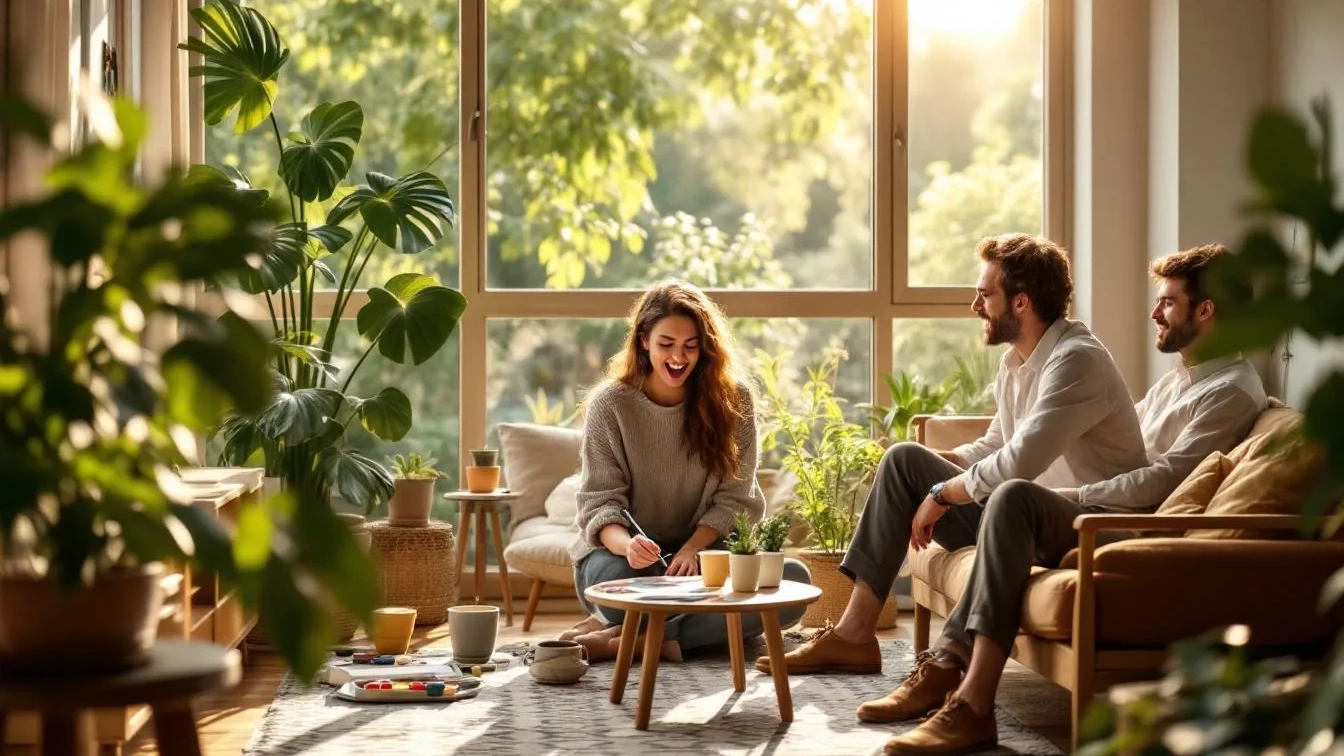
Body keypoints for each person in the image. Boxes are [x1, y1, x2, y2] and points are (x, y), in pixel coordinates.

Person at [754, 232, 1150, 751]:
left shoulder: (1078, 361)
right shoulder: (1018, 361)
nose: (975, 305)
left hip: (1091, 522)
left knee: (1010, 493)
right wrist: (938, 470)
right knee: (904, 460)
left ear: (1022, 301)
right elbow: (995, 443)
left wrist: (942, 492)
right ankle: (853, 636)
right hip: (1025, 518)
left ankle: (969, 701)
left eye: (985, 294)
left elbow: (1019, 461)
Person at [877, 243, 1268, 756]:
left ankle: (971, 704)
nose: (1155, 313)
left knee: (1014, 497)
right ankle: (914, 656)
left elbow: (1162, 484)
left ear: (1206, 310)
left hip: (1126, 527)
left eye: (1168, 302)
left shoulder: (1231, 392)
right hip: (1097, 511)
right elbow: (1042, 443)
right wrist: (952, 467)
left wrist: (1062, 495)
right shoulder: (1179, 382)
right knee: (915, 463)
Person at [564, 278, 811, 662]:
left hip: (708, 553)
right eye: (666, 344)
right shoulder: (610, 405)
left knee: (793, 581)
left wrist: (693, 550)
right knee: (625, 590)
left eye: (690, 346)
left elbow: (736, 498)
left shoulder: (734, 400)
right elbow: (600, 505)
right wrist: (629, 546)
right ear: (644, 341)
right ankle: (656, 631)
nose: (678, 357)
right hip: (624, 560)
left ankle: (634, 639)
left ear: (706, 348)